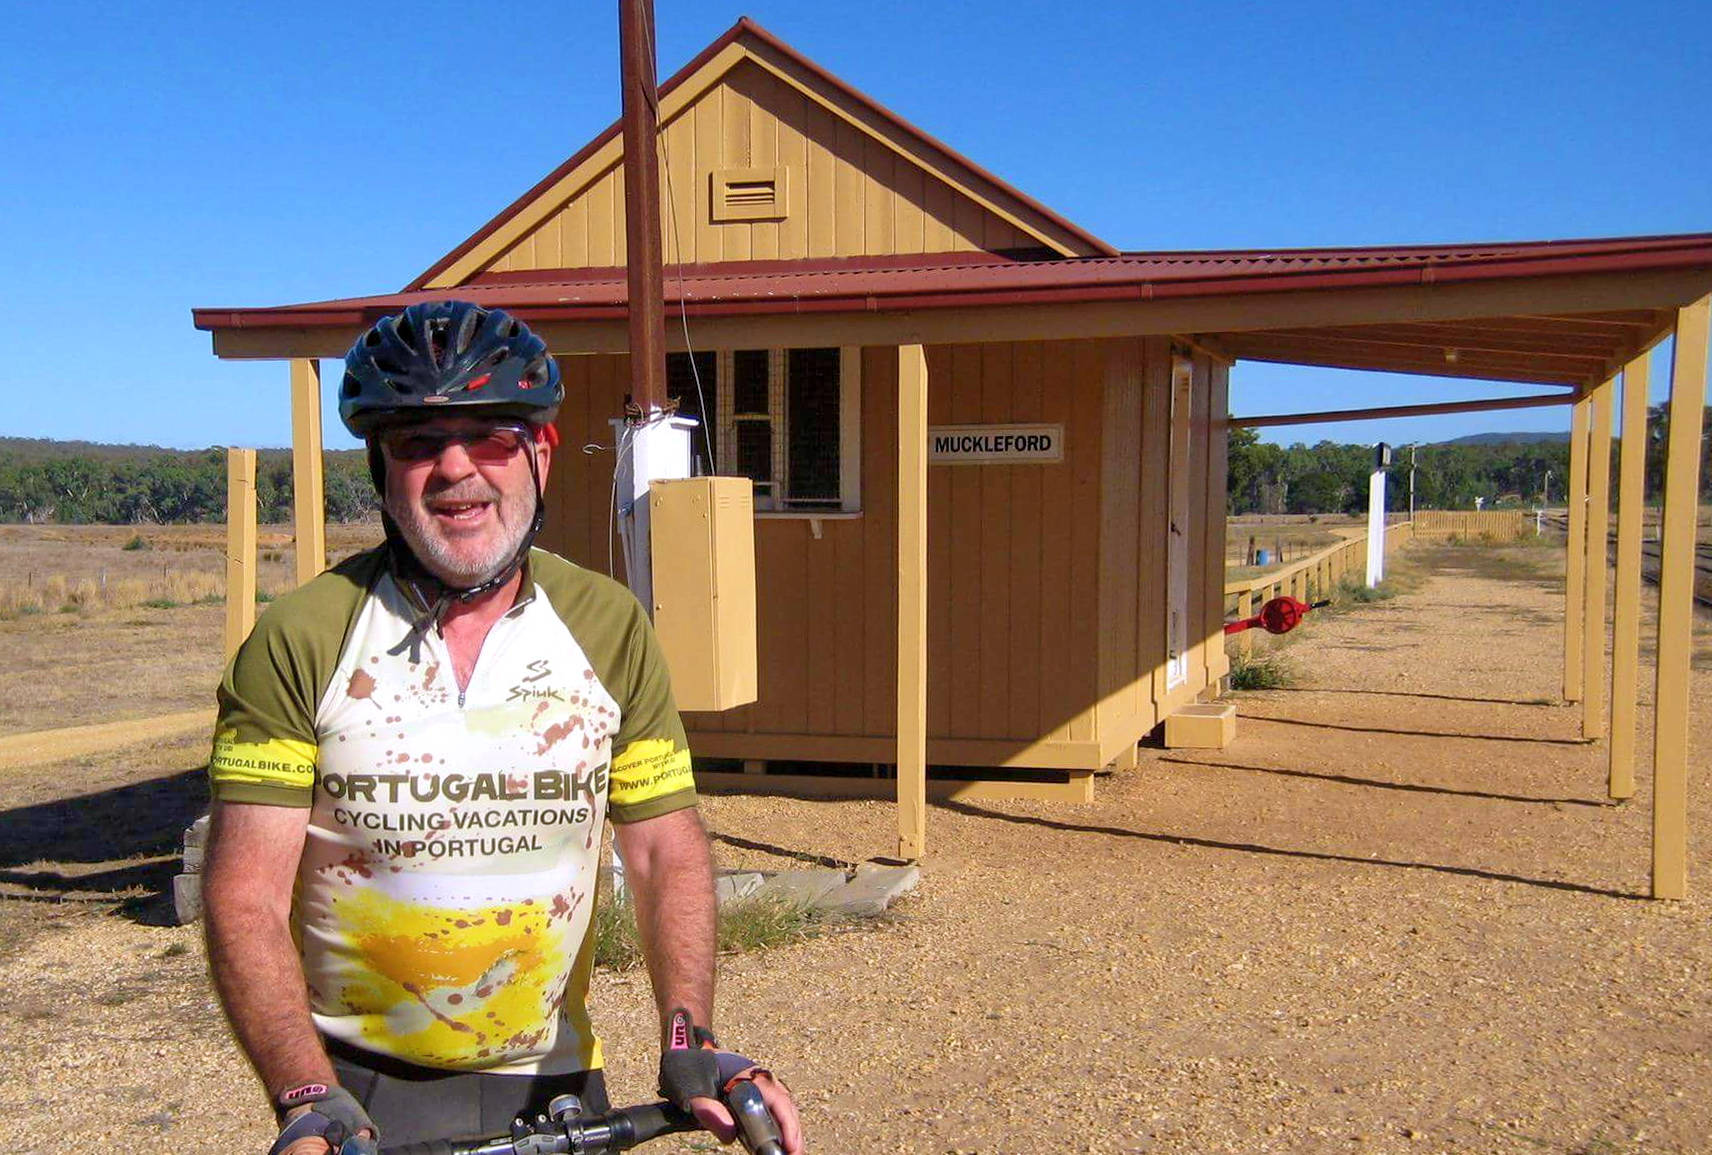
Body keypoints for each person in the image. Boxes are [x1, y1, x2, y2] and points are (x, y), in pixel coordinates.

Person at [201, 301, 802, 1155]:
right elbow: (244, 892)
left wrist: (690, 1040)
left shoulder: (607, 625)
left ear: (541, 455)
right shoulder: (303, 636)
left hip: (556, 1082)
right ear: (380, 469)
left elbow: (665, 849)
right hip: (361, 1094)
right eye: (418, 441)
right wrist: (304, 1092)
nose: (456, 469)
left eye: (489, 436)